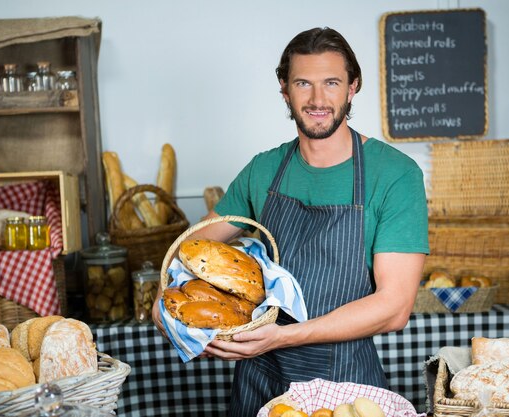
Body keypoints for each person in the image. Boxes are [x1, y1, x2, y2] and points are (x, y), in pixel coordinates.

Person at [153, 27, 429, 416]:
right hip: (258, 379)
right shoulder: (264, 169)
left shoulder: (395, 175)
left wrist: (282, 337)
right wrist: (164, 296)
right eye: (303, 83)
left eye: (331, 82)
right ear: (285, 90)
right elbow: (189, 250)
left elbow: (394, 307)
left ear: (353, 87)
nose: (318, 99)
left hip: (345, 386)